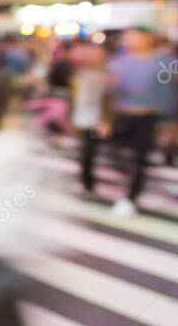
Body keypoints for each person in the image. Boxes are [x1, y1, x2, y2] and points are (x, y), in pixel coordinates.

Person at [102, 28, 176, 216]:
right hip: (122, 116)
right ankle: (126, 190)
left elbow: (169, 93)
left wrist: (170, 121)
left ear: (149, 38)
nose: (129, 40)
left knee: (140, 160)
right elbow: (109, 93)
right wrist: (106, 119)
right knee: (116, 156)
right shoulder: (119, 62)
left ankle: (130, 198)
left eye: (135, 36)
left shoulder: (165, 62)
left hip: (148, 118)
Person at [70, 41, 111, 200]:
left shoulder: (106, 76)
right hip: (82, 120)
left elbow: (107, 101)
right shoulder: (79, 75)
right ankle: (88, 184)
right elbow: (74, 99)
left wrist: (106, 120)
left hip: (97, 120)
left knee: (90, 153)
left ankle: (89, 184)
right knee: (86, 154)